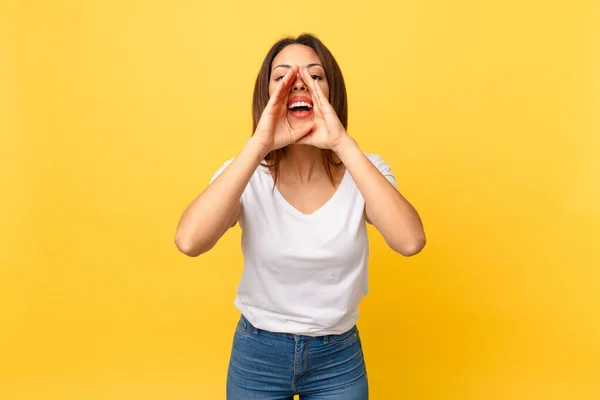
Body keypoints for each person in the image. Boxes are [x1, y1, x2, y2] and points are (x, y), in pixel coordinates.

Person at [174, 33, 426, 400]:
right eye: (282, 77)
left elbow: (409, 241)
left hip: (338, 357)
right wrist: (259, 144)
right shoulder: (245, 174)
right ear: (267, 94)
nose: (299, 84)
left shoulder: (365, 170)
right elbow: (189, 241)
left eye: (314, 76)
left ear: (331, 91)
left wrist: (342, 142)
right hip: (257, 354)